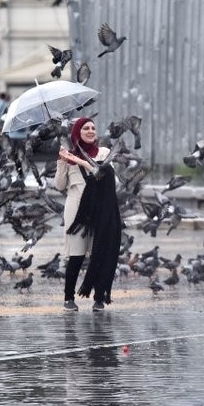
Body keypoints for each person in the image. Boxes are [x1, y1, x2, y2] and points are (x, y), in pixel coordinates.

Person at [54, 117, 122, 312]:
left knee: (99, 252)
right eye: (86, 128)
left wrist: (81, 162)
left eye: (93, 128)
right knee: (75, 254)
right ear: (77, 132)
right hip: (76, 208)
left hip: (100, 207)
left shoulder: (104, 152)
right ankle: (69, 297)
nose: (91, 131)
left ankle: (99, 298)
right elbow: (59, 186)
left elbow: (109, 178)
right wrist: (61, 162)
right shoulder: (67, 155)